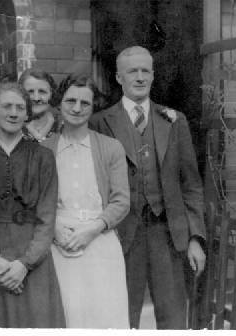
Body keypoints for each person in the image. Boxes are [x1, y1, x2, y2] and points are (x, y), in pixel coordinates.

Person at [89, 46, 206, 329]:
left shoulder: (174, 121)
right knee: (120, 317)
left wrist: (195, 237)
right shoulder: (99, 122)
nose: (140, 77)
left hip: (167, 235)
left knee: (173, 316)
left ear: (153, 76)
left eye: (145, 71)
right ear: (119, 78)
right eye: (132, 71)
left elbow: (190, 184)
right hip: (120, 236)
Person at [0, 81, 65, 328]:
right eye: (6, 106)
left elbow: (47, 217)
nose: (13, 113)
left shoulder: (43, 157)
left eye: (20, 108)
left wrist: (24, 264)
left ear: (26, 113)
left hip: (32, 258)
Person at [42, 74, 130, 328]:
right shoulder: (45, 149)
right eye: (70, 101)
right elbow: (37, 200)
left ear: (93, 108)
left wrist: (93, 229)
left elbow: (121, 200)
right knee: (68, 315)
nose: (77, 108)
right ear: (59, 104)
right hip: (58, 241)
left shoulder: (111, 148)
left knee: (105, 316)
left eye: (85, 103)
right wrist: (55, 227)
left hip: (100, 242)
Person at [18, 68, 62, 142]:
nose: (36, 98)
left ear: (52, 94)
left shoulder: (63, 129)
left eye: (42, 91)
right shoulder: (11, 130)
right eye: (30, 92)